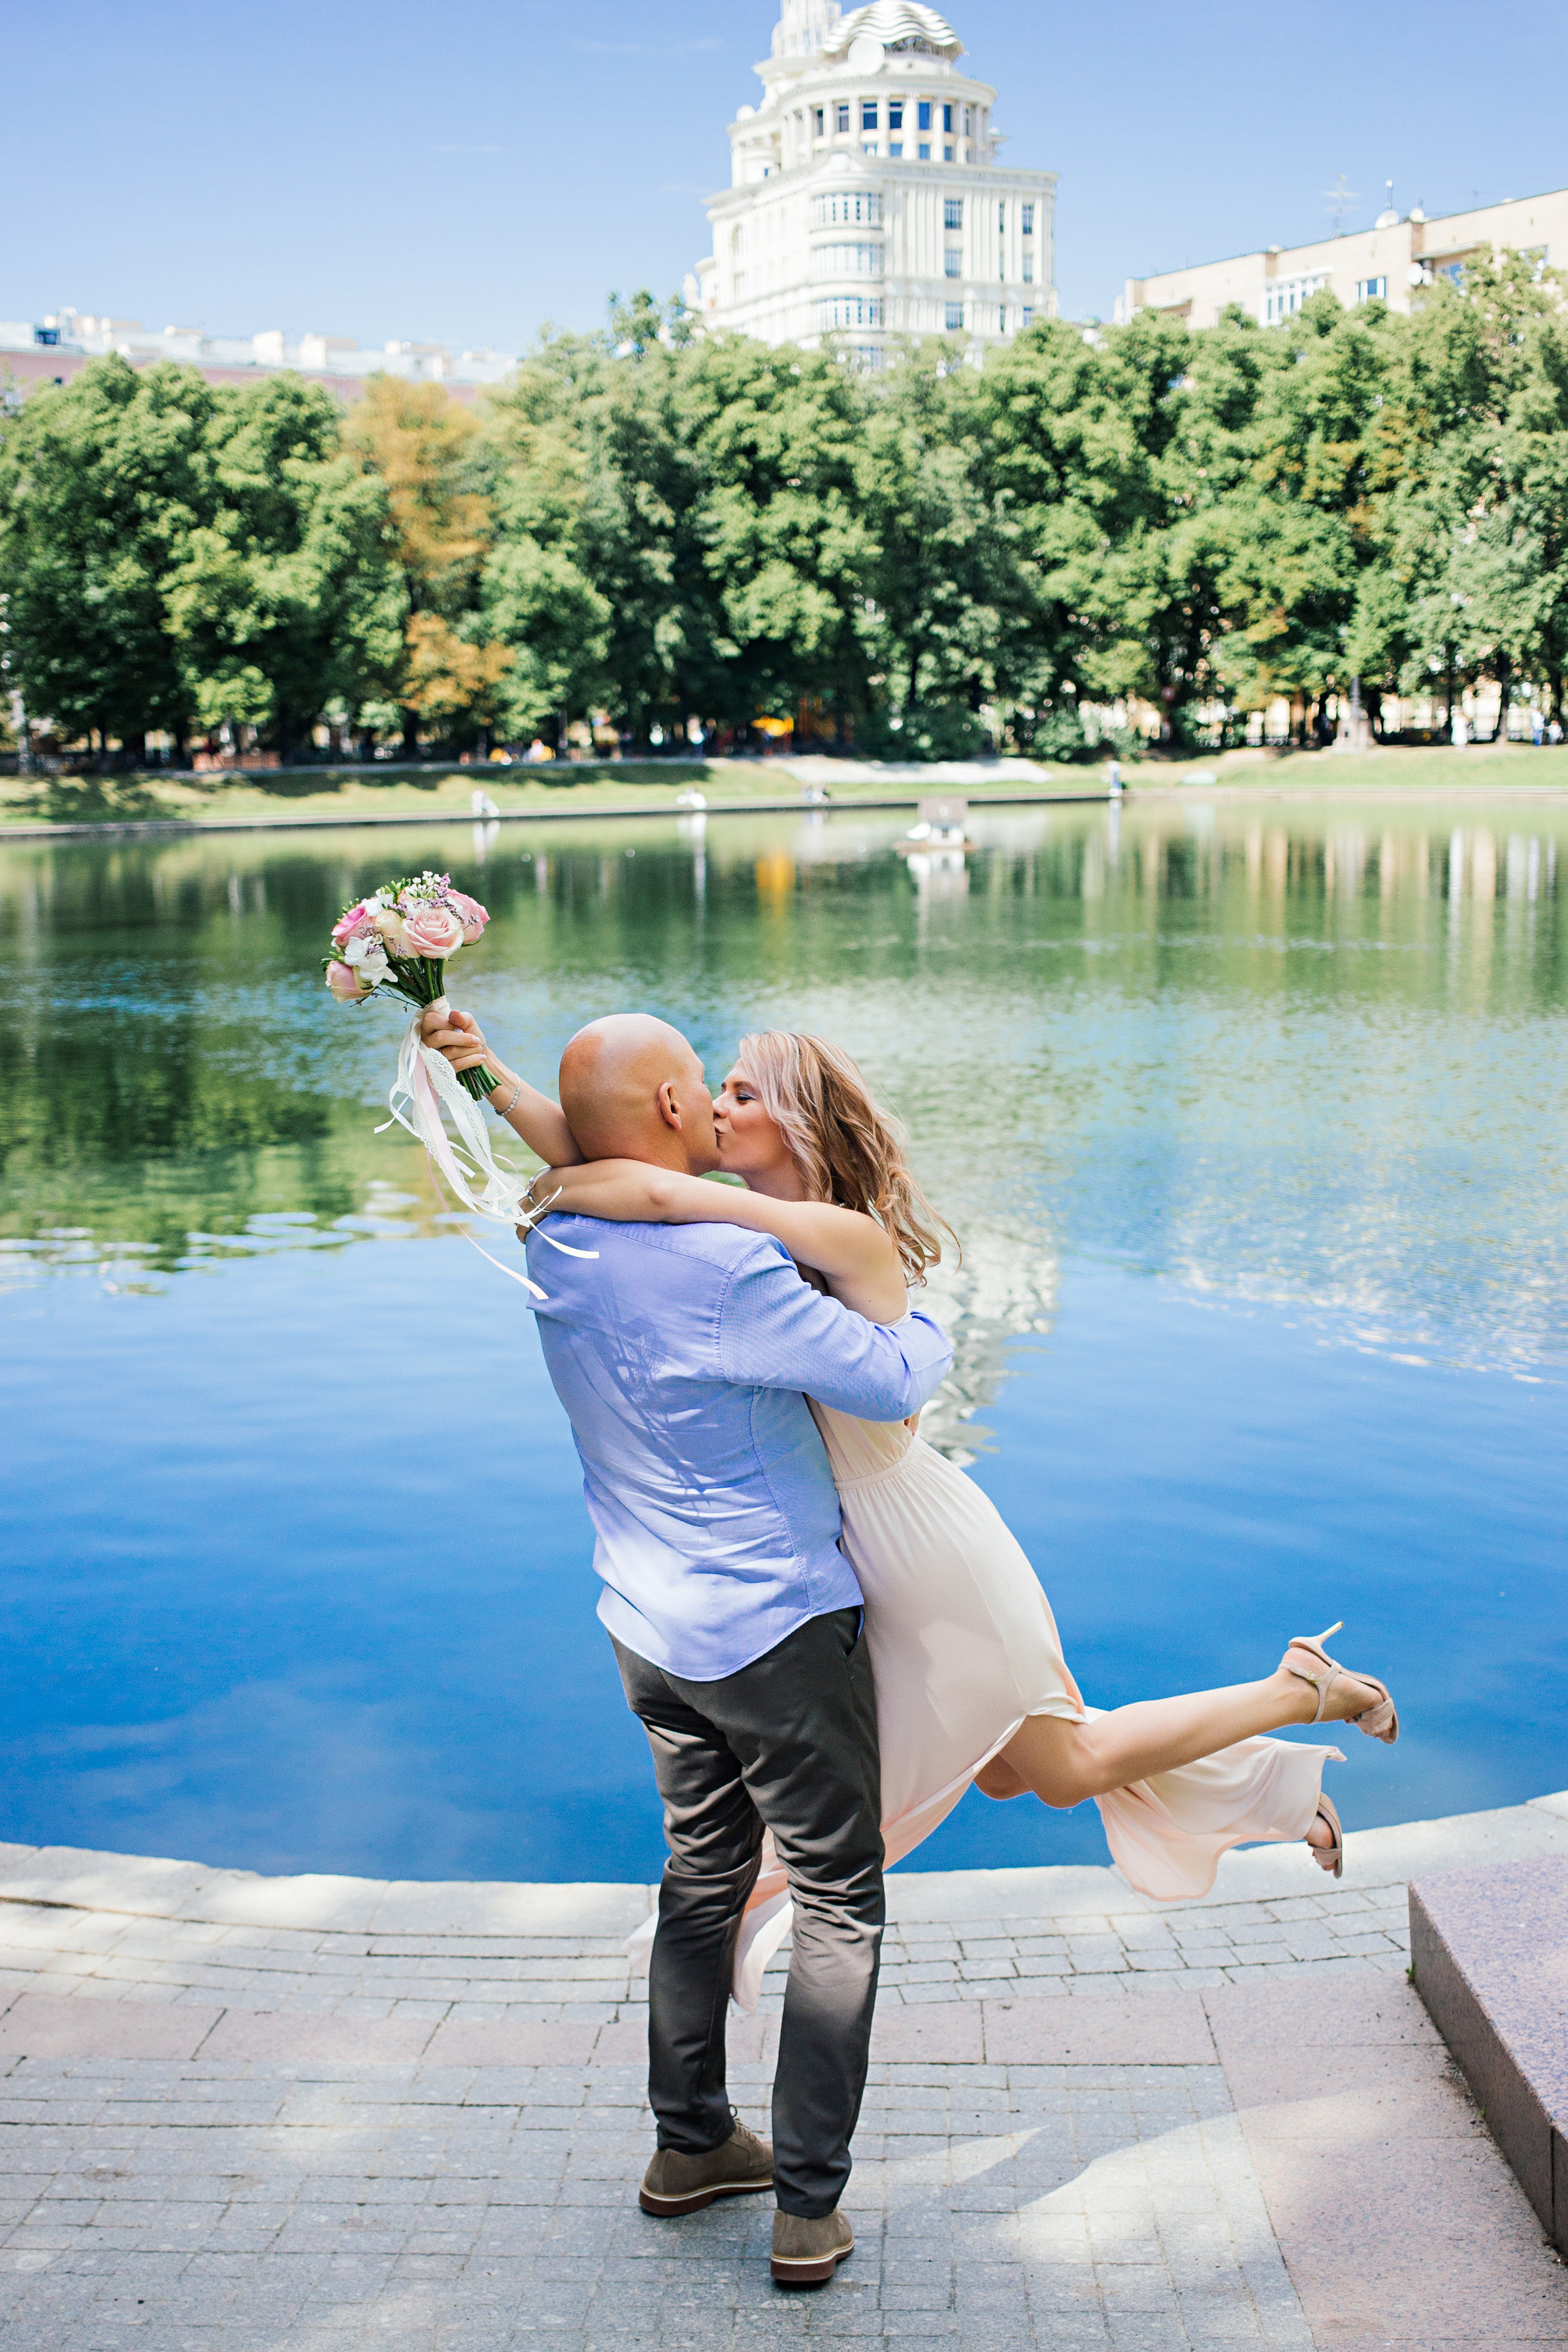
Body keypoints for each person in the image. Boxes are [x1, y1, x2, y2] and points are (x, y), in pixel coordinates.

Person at [421, 1009, 1399, 2268]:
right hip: (827, 1583)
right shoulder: (676, 1217)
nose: (716, 1108)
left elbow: (885, 1364)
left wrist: (636, 1181)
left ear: (790, 1124)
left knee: (1045, 1768)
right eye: (703, 1091)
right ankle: (1284, 1726)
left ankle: (1293, 1703)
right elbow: (612, 1140)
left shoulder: (710, 1235)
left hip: (920, 1556)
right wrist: (488, 1069)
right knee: (1029, 1768)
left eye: (740, 1094)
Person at [422, 1002, 951, 2289]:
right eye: (699, 1094)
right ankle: (809, 2208)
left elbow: (571, 1143)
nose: (717, 1111)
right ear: (669, 1116)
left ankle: (690, 2144)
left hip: (643, 1629)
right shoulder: (728, 1271)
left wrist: (486, 1070)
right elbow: (894, 1381)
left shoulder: (554, 1229)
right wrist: (923, 1315)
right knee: (837, 1898)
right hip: (770, 1628)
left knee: (702, 1878)